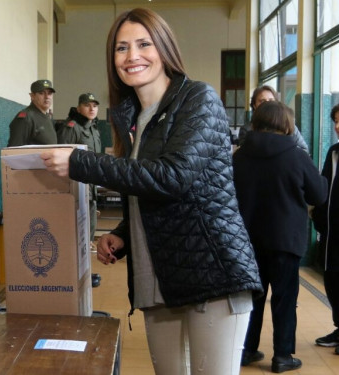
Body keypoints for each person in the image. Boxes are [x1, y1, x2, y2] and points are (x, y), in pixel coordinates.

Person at [40, 8, 262, 374]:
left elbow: (174, 176)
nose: (132, 56)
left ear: (165, 48)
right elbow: (151, 188)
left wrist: (81, 163)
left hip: (213, 277)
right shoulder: (134, 119)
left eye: (144, 44)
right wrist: (124, 234)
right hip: (158, 281)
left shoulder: (198, 99)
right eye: (121, 48)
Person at [234, 101, 326, 372]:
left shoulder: (239, 156)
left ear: (256, 122)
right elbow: (319, 195)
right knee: (285, 299)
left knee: (251, 299)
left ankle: (247, 350)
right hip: (286, 240)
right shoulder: (297, 156)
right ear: (287, 124)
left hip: (247, 241)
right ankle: (283, 356)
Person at [56, 92, 104, 288]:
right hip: (77, 186)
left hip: (90, 187)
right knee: (75, 231)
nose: (92, 108)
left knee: (88, 233)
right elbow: (63, 156)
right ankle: (69, 273)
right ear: (78, 108)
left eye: (95, 105)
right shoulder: (72, 127)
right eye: (87, 105)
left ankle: (85, 272)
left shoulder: (93, 129)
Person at [313, 103, 339, 353]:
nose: (337, 126)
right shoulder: (333, 152)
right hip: (332, 233)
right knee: (332, 280)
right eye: (336, 121)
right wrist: (319, 220)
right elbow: (323, 189)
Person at [237, 85, 309, 152]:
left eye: (271, 100)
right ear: (254, 105)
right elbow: (246, 155)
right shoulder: (247, 129)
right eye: (262, 101)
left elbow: (304, 150)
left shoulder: (288, 125)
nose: (268, 104)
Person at [7, 79, 57, 146]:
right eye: (41, 93)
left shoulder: (47, 117)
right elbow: (14, 150)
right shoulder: (26, 117)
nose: (47, 97)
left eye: (49, 93)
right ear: (32, 96)